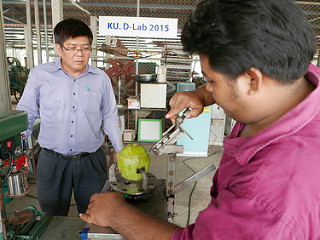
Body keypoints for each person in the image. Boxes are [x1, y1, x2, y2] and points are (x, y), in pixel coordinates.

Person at [80, 0, 320, 239]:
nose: (208, 88)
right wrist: (202, 95)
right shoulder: (294, 78)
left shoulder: (264, 193)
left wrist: (116, 214)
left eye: (211, 81)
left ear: (253, 81)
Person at [17, 18, 124, 216]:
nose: (80, 54)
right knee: (52, 217)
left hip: (91, 161)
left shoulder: (101, 79)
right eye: (72, 47)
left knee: (96, 216)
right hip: (52, 161)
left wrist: (119, 149)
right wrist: (22, 151)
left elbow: (109, 116)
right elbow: (27, 115)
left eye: (85, 48)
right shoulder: (40, 75)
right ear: (59, 49)